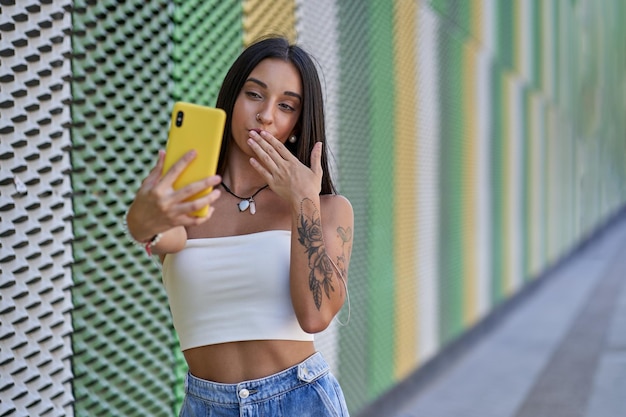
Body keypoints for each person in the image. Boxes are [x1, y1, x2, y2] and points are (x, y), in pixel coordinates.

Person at [124, 36, 353, 416]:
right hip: (206, 406)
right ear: (231, 100)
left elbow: (316, 316)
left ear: (297, 123)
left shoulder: (327, 209)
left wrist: (303, 201)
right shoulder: (191, 201)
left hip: (300, 401)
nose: (266, 115)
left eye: (286, 106)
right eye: (254, 95)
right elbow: (155, 232)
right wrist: (140, 216)